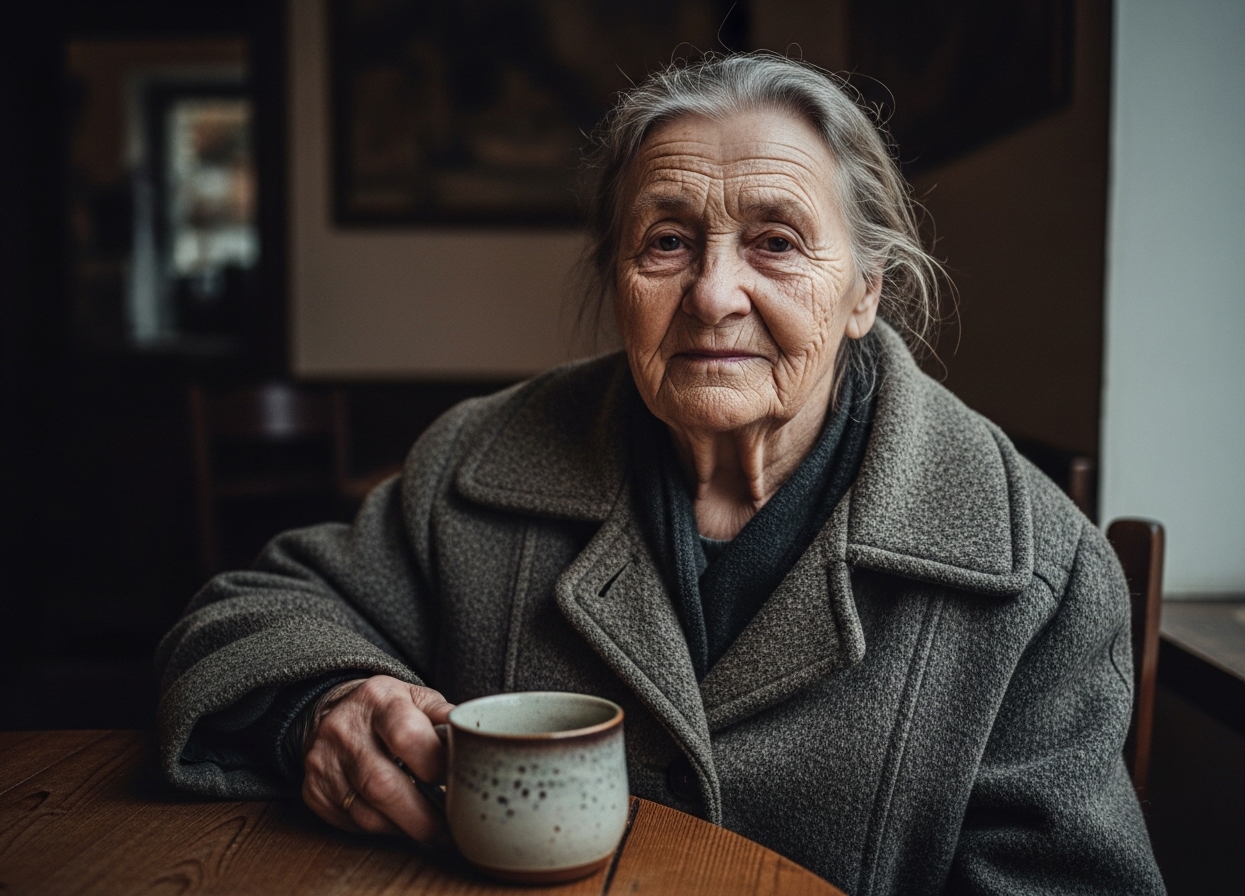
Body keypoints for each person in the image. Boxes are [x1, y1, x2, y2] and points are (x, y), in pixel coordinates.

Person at [156, 54, 1164, 894]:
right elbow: (248, 612)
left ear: (864, 290)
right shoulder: (474, 463)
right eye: (668, 242)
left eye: (775, 242)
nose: (713, 293)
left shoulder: (1036, 569)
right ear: (616, 280)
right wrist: (323, 703)